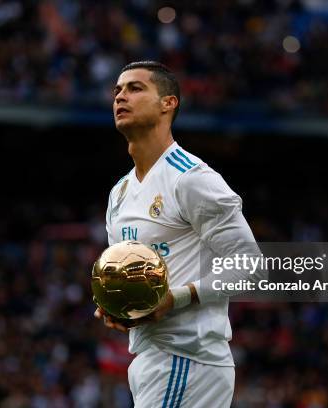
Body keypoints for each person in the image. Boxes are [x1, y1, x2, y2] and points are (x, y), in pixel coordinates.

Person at [95, 61, 265, 407]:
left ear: (168, 103)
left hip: (186, 358)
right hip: (152, 359)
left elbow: (250, 265)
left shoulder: (191, 179)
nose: (120, 97)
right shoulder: (120, 194)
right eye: (117, 91)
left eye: (135, 88)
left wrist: (177, 297)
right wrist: (116, 306)